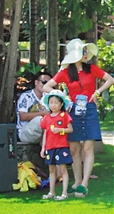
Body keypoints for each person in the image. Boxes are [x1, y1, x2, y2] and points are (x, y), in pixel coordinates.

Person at [43, 38, 114, 198]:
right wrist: (64, 97)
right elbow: (47, 86)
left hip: (89, 109)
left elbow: (110, 79)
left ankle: (84, 184)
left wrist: (97, 92)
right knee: (74, 148)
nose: (86, 53)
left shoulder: (92, 69)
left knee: (88, 148)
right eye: (83, 51)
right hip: (73, 110)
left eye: (86, 51)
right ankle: (77, 181)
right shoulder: (65, 72)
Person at [40, 90, 73, 201]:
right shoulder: (46, 117)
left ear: (61, 104)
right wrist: (43, 147)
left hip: (61, 146)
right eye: (51, 103)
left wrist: (60, 130)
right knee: (51, 170)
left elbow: (70, 129)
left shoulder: (64, 116)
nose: (53, 105)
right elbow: (45, 133)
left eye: (56, 103)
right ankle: (51, 192)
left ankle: (64, 193)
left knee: (63, 169)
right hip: (50, 147)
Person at [16, 72, 53, 144]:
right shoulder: (26, 96)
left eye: (49, 84)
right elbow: (23, 116)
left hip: (42, 134)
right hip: (26, 133)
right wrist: (44, 113)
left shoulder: (49, 97)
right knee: (40, 120)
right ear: (36, 82)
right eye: (44, 82)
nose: (46, 85)